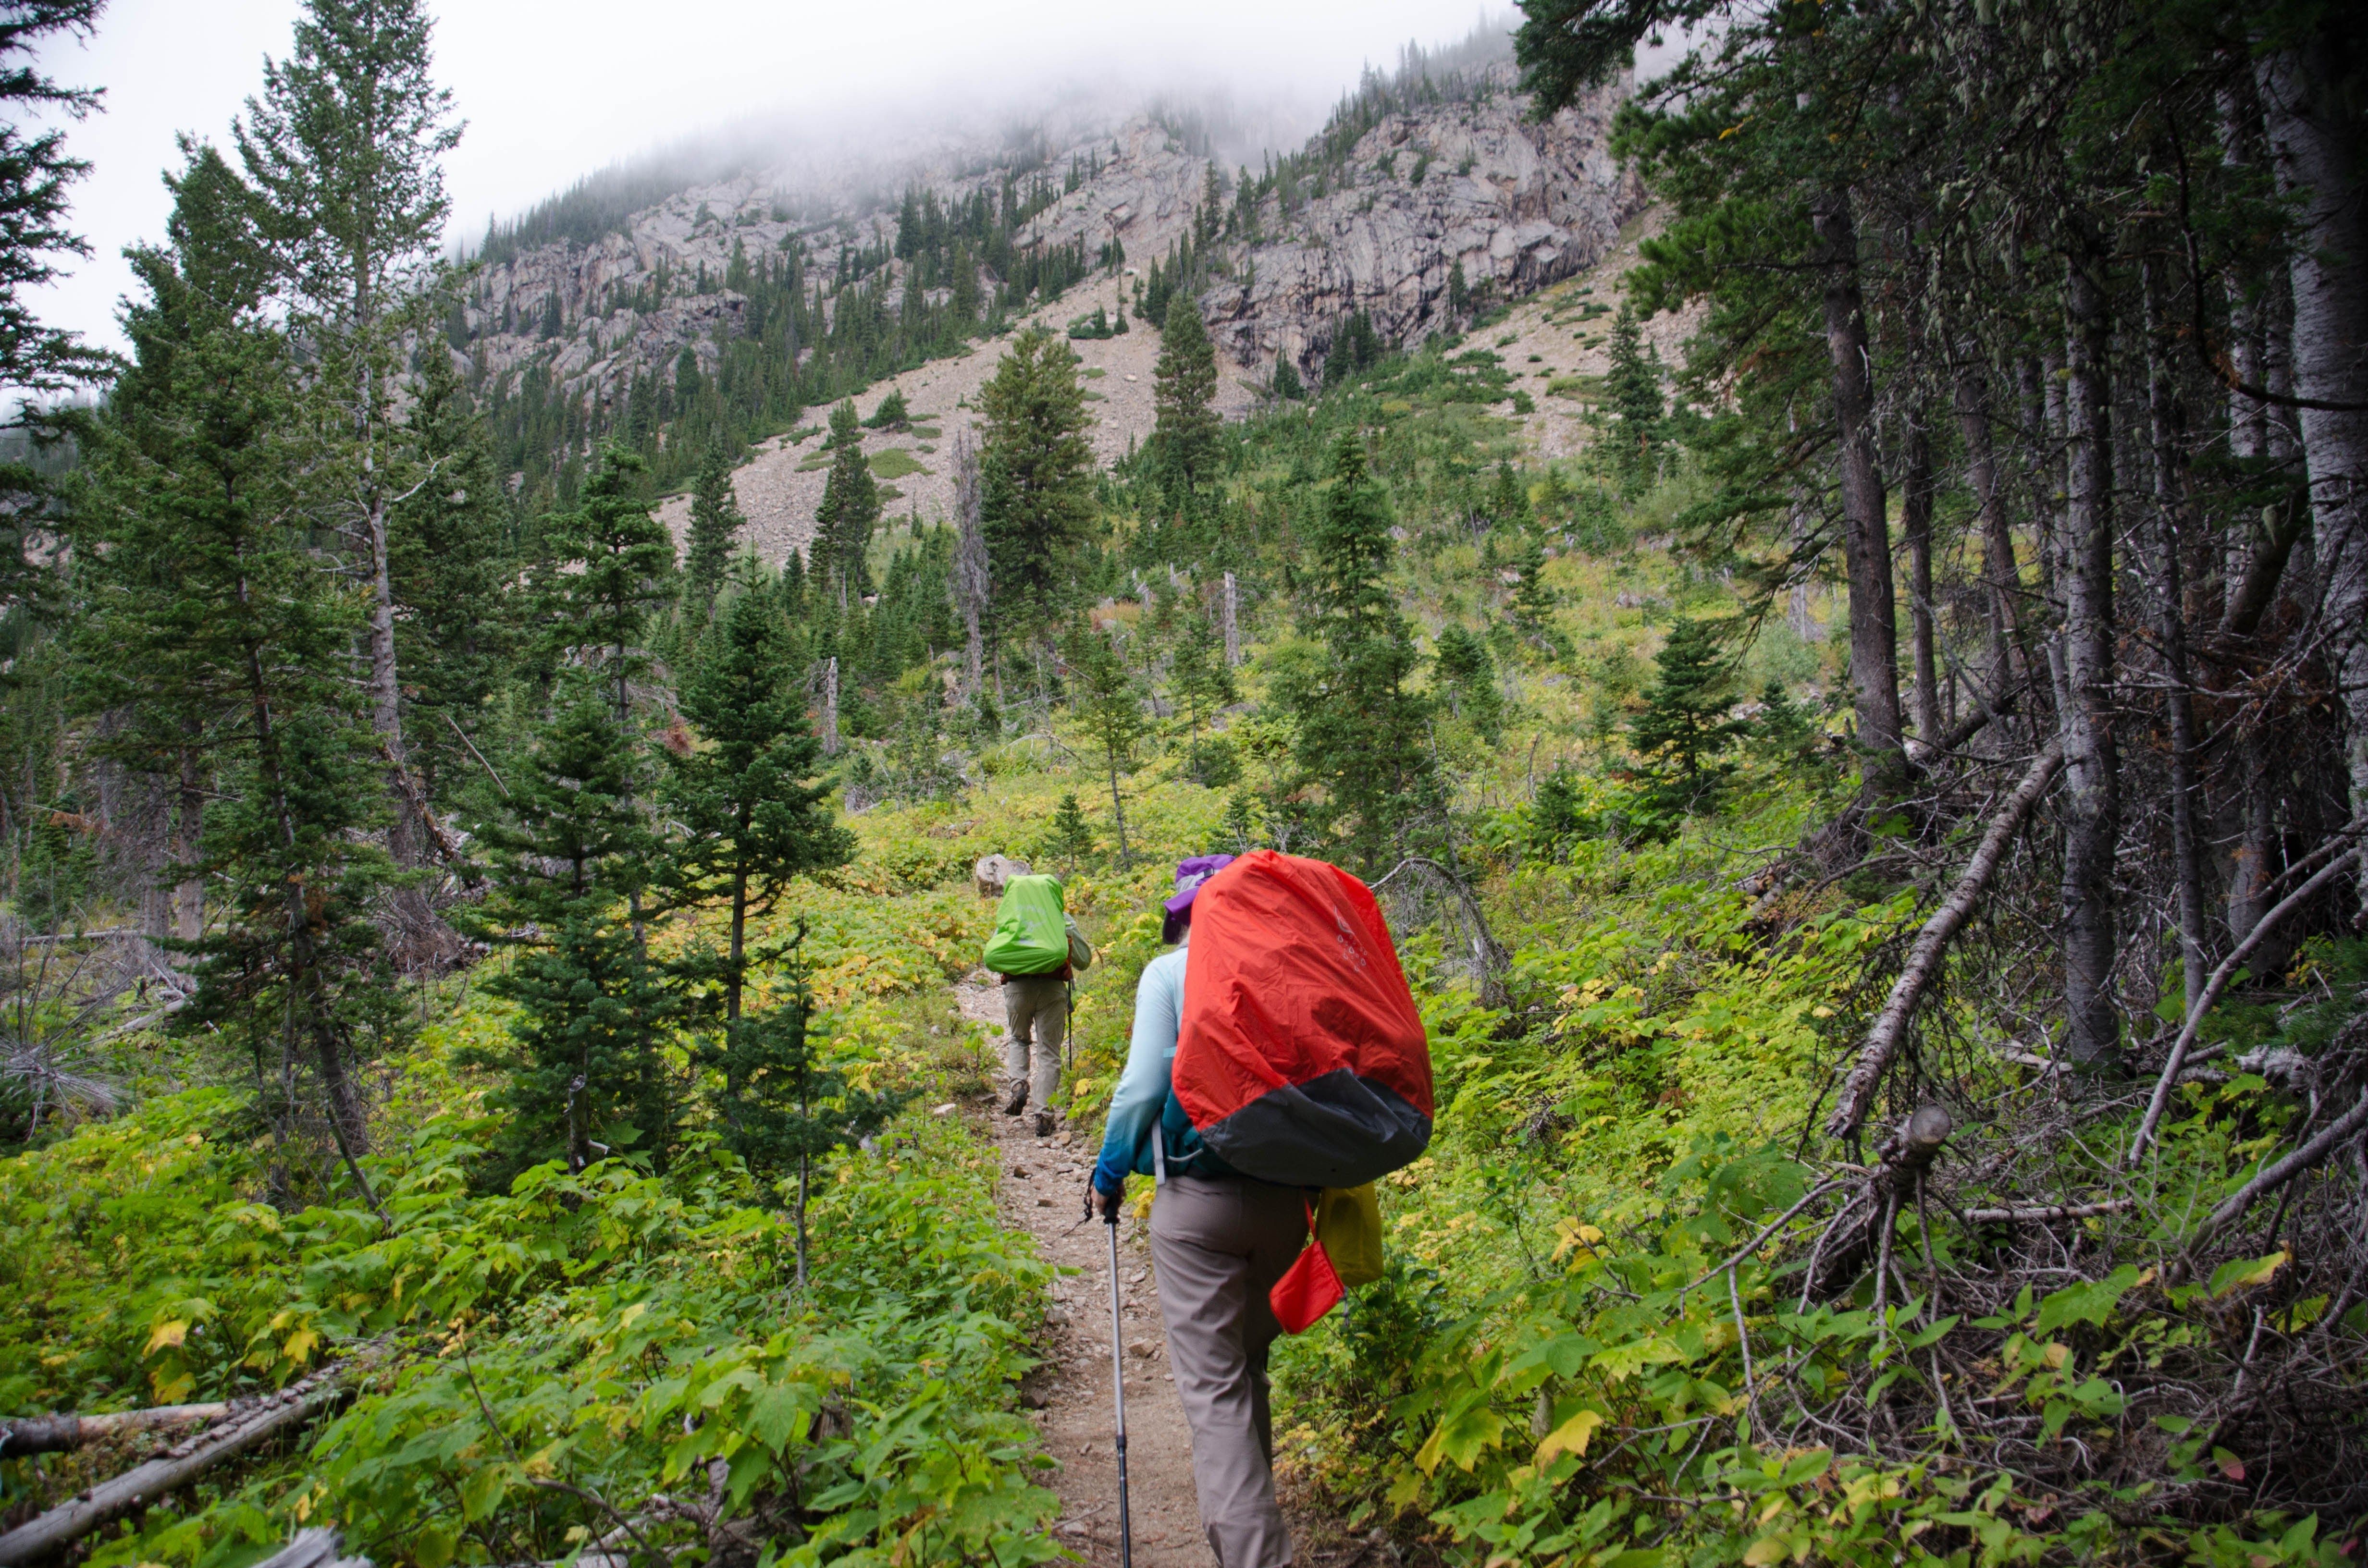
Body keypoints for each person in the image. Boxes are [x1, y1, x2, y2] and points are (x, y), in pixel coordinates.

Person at [1092, 854, 1307, 1568]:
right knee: (1247, 1367)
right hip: (1287, 1206)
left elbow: (1144, 1086)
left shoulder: (1169, 974)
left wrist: (1109, 1173)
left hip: (1197, 1205)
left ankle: (1255, 1557)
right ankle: (1254, 1526)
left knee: (1215, 1391)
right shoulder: (1285, 970)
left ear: (1180, 916)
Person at [1002, 890, 1095, 1138]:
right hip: (1053, 991)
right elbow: (1084, 960)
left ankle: (1019, 1085)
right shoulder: (1062, 918)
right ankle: (1043, 1115)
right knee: (1049, 1052)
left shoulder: (1013, 916)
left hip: (1017, 990)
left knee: (1018, 1039)